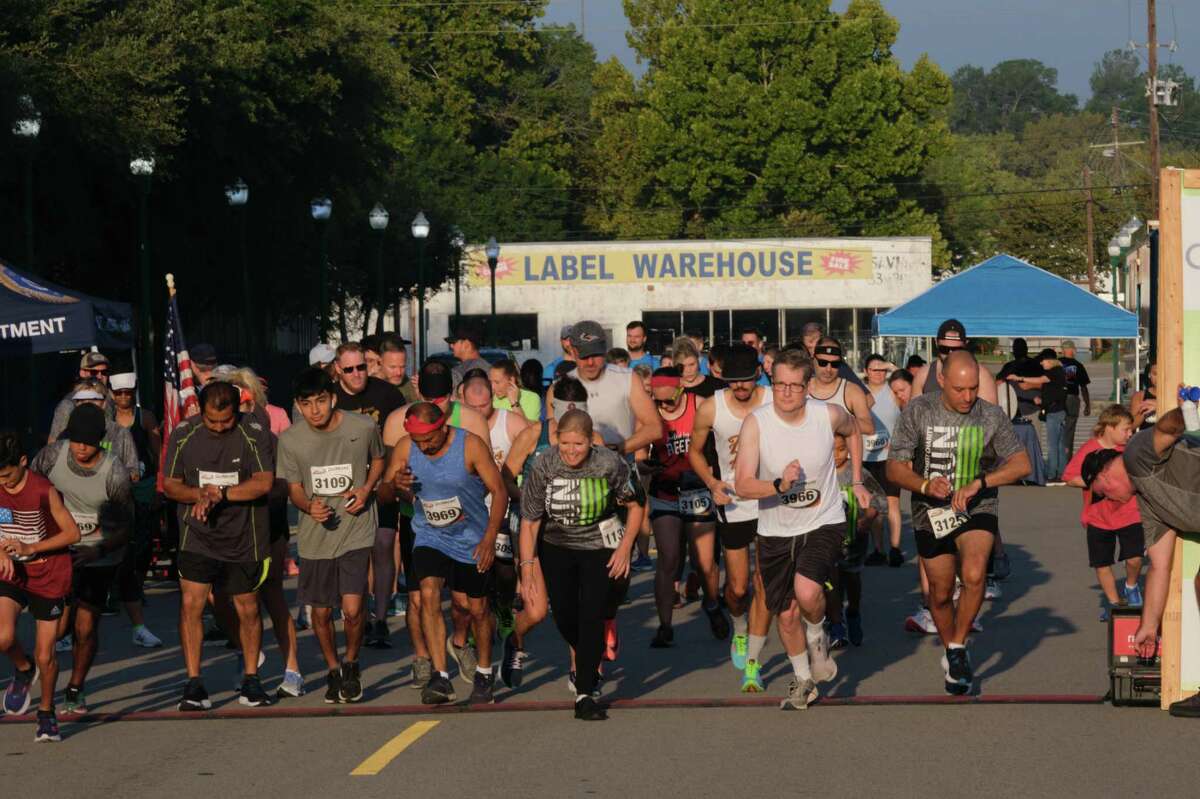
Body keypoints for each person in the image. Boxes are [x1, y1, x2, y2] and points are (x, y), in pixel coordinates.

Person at [734, 348, 871, 709]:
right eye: (780, 384)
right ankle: (804, 680)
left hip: (823, 519)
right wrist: (778, 485)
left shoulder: (827, 415)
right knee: (786, 613)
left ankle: (817, 636)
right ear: (772, 383)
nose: (787, 392)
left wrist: (857, 480)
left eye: (795, 385)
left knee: (807, 592)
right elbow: (743, 484)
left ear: (808, 386)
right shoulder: (757, 423)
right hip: (775, 529)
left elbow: (854, 430)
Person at [887, 351, 1031, 695]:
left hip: (977, 506)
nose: (968, 397)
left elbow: (1022, 464)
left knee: (974, 573)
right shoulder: (919, 411)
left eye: (973, 388)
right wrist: (925, 485)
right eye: (959, 389)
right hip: (930, 511)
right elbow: (894, 468)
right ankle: (953, 647)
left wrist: (981, 483)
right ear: (941, 381)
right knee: (939, 594)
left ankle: (957, 647)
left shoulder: (991, 415)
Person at [518, 409, 644, 720]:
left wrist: (625, 547)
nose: (571, 451)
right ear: (556, 439)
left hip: (599, 545)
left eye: (578, 444)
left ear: (591, 441)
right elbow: (530, 521)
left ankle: (585, 692)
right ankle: (593, 645)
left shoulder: (609, 463)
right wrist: (527, 566)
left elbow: (636, 504)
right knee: (564, 615)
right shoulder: (545, 464)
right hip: (556, 545)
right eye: (565, 444)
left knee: (591, 614)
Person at [380, 403, 508, 706]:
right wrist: (394, 486)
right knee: (428, 594)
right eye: (418, 441)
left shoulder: (470, 445)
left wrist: (489, 538)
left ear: (442, 426)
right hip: (430, 534)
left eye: (428, 439)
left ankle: (484, 673)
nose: (423, 447)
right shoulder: (406, 447)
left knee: (476, 609)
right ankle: (440, 676)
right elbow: (383, 494)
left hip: (471, 538)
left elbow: (499, 491)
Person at [1080, 399, 1200, 717]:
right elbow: (1159, 566)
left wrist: (1187, 409)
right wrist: (1148, 625)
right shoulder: (1148, 504)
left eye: (1102, 494)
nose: (1108, 501)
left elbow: (1167, 429)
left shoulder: (1135, 454)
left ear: (1104, 477)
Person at [163, 381, 276, 710]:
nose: (219, 427)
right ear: (201, 412)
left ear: (237, 411)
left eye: (226, 421)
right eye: (212, 421)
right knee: (191, 606)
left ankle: (251, 678)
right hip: (197, 535)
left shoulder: (254, 432)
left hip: (244, 536)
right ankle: (194, 682)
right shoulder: (184, 433)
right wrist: (199, 494)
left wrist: (220, 494)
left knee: (248, 608)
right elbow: (171, 485)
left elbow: (263, 483)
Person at [278, 367, 385, 703]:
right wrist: (309, 507)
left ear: (333, 398)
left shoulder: (363, 426)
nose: (315, 410)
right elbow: (294, 489)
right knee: (321, 613)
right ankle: (333, 668)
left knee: (352, 609)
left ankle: (351, 663)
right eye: (307, 403)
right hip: (316, 536)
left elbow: (378, 459)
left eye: (321, 401)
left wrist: (367, 489)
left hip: (356, 528)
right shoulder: (290, 440)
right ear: (298, 405)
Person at [498, 377, 601, 688]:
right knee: (537, 611)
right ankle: (514, 639)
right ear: (552, 408)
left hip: (576, 530)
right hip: (533, 529)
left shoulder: (594, 439)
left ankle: (579, 671)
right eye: (563, 413)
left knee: (577, 605)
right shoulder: (533, 434)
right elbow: (505, 478)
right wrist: (528, 500)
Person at [29, 405, 133, 715]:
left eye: (88, 442)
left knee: (85, 627)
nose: (80, 448)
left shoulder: (115, 472)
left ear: (100, 440)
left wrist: (98, 550)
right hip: (59, 550)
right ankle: (35, 668)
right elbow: (29, 493)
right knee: (58, 628)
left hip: (98, 554)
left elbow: (127, 527)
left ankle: (75, 687)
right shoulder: (51, 456)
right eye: (75, 441)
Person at [688, 344, 774, 690]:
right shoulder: (712, 407)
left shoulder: (774, 400)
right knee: (738, 589)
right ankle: (739, 627)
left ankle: (753, 661)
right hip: (733, 501)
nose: (739, 387)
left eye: (746, 380)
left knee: (763, 584)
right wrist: (711, 483)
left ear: (758, 374)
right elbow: (695, 452)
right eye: (733, 381)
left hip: (771, 501)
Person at [0, 431, 80, 742]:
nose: (3, 482)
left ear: (23, 462)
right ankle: (23, 669)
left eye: (7, 475)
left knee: (46, 655)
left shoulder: (43, 490)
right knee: (3, 636)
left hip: (48, 574)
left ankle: (46, 712)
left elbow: (72, 533)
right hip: (11, 573)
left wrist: (32, 548)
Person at [646, 367, 726, 647]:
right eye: (658, 400)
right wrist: (646, 465)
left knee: (704, 562)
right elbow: (640, 456)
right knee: (668, 559)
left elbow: (723, 439)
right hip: (665, 490)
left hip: (697, 488)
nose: (664, 406)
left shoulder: (700, 405)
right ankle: (665, 626)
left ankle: (712, 604)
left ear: (681, 389)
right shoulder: (650, 413)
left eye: (668, 400)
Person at [332, 342, 404, 648]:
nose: (357, 374)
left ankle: (381, 619)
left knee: (383, 545)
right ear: (338, 370)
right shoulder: (330, 397)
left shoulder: (387, 394)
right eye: (349, 369)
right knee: (352, 555)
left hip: (382, 482)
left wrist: (393, 476)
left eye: (361, 367)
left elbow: (402, 438)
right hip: (344, 487)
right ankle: (357, 615)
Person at [461, 371, 530, 670]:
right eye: (473, 407)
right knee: (472, 577)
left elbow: (535, 441)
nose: (480, 411)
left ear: (493, 398)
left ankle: (503, 607)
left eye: (485, 404)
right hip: (467, 513)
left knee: (503, 570)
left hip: (501, 509)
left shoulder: (508, 422)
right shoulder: (456, 425)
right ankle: (475, 627)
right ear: (462, 401)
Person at [1063, 405, 1143, 620]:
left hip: (1130, 513)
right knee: (1102, 563)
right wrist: (1097, 482)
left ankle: (1131, 586)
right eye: (1126, 429)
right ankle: (1113, 603)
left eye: (1131, 430)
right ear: (1109, 427)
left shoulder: (1130, 450)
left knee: (1135, 558)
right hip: (1098, 517)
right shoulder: (1089, 449)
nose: (1130, 434)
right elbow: (1069, 477)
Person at [109, 372, 164, 648]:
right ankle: (113, 590)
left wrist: (159, 487)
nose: (123, 397)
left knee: (142, 541)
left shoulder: (146, 417)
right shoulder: (106, 418)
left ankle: (136, 586)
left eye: (128, 392)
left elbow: (158, 453)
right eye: (119, 393)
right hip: (113, 489)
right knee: (114, 540)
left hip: (143, 486)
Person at [551, 320, 662, 457]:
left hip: (619, 463)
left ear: (604, 349)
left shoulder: (627, 378)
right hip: (575, 466)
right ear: (573, 352)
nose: (590, 362)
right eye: (584, 356)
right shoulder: (561, 385)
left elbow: (654, 427)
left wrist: (617, 450)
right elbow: (552, 433)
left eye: (596, 355)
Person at [826, 432, 887, 648]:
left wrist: (867, 518)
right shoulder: (820, 472)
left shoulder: (858, 473)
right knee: (830, 581)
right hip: (827, 540)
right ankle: (836, 624)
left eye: (841, 449)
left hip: (854, 539)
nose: (836, 455)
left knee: (851, 579)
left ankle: (853, 612)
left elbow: (879, 500)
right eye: (831, 450)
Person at [860, 354, 904, 567]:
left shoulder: (893, 391)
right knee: (873, 506)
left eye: (882, 370)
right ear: (865, 371)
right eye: (874, 369)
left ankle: (895, 549)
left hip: (890, 457)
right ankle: (878, 549)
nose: (878, 373)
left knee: (892, 503)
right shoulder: (859, 391)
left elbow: (907, 380)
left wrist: (890, 366)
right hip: (866, 457)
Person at [48, 352, 114, 442]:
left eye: (104, 372)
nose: (99, 376)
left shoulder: (110, 399)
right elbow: (54, 443)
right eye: (94, 372)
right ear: (82, 373)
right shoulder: (68, 404)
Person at [798, 322, 866, 390]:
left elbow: (863, 392)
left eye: (817, 347)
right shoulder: (801, 366)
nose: (813, 352)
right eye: (809, 348)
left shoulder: (839, 367)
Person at [1037, 348, 1069, 485]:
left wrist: (1019, 378)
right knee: (1060, 445)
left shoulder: (1053, 372)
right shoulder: (1060, 371)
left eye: (1042, 360)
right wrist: (1042, 400)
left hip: (1054, 413)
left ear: (1049, 361)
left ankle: (1051, 475)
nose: (1041, 363)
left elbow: (1040, 380)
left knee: (1052, 445)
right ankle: (1062, 475)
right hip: (1060, 411)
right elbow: (1054, 392)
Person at [1059, 340, 1092, 459]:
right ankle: (1066, 460)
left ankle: (1056, 460)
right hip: (1072, 399)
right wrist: (1087, 404)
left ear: (1062, 350)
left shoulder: (1056, 364)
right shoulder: (1078, 365)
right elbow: (1083, 387)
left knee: (1056, 431)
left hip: (1057, 399)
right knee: (1069, 431)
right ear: (1073, 350)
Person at [446, 324, 492, 388]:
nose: (451, 346)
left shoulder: (459, 372)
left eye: (454, 342)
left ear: (467, 344)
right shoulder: (489, 368)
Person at [380, 335, 419, 405]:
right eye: (393, 367)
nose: (398, 373)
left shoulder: (410, 386)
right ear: (380, 363)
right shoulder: (370, 388)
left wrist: (420, 396)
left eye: (402, 367)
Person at [1130, 363, 1158, 432]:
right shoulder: (1139, 396)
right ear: (1149, 375)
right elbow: (1131, 426)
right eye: (1155, 374)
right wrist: (1145, 413)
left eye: (1161, 374)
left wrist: (1159, 406)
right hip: (1146, 437)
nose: (1158, 377)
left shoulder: (1173, 395)